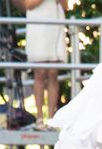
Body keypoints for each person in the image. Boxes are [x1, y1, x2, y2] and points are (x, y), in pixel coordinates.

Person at [24, 0, 68, 128]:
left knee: (53, 73)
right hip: (38, 25)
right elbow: (29, 4)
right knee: (40, 72)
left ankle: (51, 118)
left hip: (54, 24)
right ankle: (39, 118)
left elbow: (65, 6)